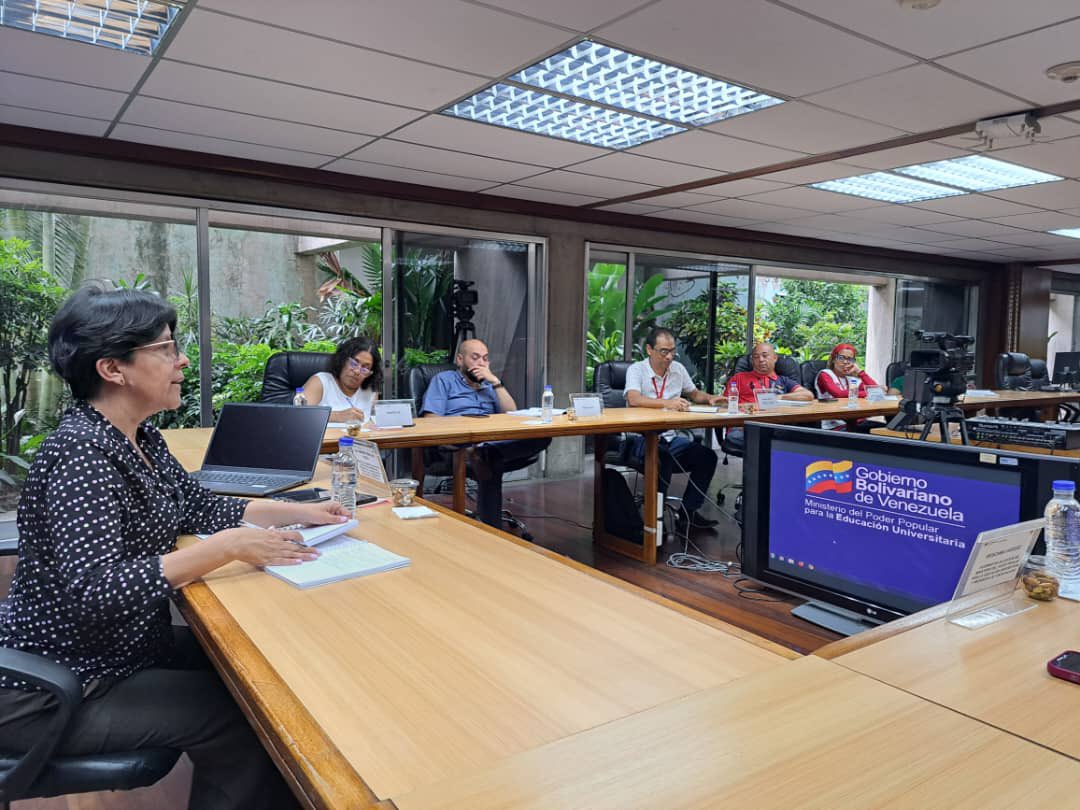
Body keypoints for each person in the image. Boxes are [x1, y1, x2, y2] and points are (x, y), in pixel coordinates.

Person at [0, 286, 353, 810]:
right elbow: (96, 591)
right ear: (113, 369)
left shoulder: (138, 437)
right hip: (60, 682)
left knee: (264, 673)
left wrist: (307, 511)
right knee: (248, 715)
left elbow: (198, 508)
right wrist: (228, 548)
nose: (181, 359)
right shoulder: (82, 454)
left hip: (116, 651)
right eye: (165, 348)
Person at [420, 339, 550, 529]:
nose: (481, 363)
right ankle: (491, 529)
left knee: (542, 437)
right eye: (475, 358)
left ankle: (486, 452)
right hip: (459, 445)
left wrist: (496, 383)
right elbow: (431, 419)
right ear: (459, 359)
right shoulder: (444, 380)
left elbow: (511, 414)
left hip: (491, 441)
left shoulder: (489, 385)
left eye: (485, 359)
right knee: (490, 460)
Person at [624, 327, 724, 532]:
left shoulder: (677, 369)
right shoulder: (637, 370)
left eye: (672, 351)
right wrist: (667, 403)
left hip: (670, 437)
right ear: (649, 349)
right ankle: (654, 521)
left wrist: (710, 398)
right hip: (639, 438)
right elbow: (633, 399)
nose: (669, 357)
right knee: (663, 457)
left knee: (706, 456)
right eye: (664, 351)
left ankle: (688, 513)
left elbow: (694, 394)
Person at [724, 342, 814, 453]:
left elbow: (808, 395)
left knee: (800, 436)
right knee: (735, 437)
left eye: (765, 355)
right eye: (756, 357)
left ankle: (769, 449)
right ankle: (773, 449)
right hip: (743, 428)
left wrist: (778, 397)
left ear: (775, 358)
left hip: (774, 427)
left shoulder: (783, 381)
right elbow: (726, 404)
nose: (761, 360)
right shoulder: (739, 378)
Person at [301, 336, 381, 422]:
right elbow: (299, 416)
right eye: (353, 363)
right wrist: (337, 416)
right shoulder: (320, 382)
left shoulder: (370, 391)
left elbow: (373, 425)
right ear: (342, 359)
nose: (357, 371)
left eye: (365, 369)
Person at [815, 343, 884, 431]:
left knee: (886, 430)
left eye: (850, 359)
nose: (845, 362)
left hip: (858, 421)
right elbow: (838, 394)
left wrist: (860, 372)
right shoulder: (825, 374)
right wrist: (865, 393)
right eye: (841, 358)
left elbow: (876, 392)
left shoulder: (851, 378)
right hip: (835, 426)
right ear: (833, 359)